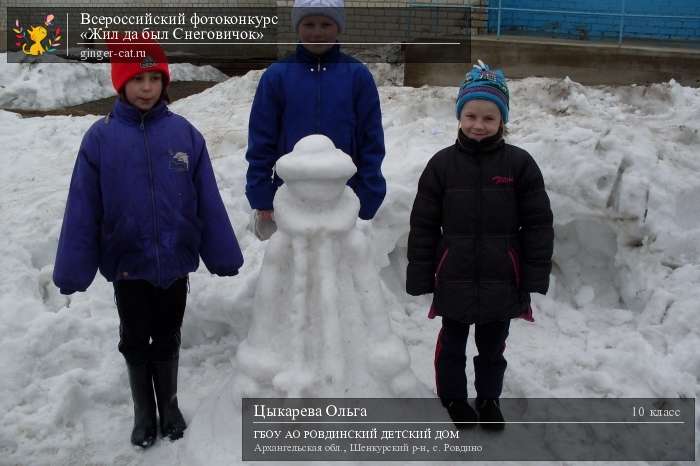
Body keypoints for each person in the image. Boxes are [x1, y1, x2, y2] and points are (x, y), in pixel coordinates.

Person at [52, 36, 244, 447]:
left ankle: (169, 404)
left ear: (164, 81)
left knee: (168, 334)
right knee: (135, 337)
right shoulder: (99, 140)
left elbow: (206, 199)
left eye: (154, 78)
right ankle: (144, 412)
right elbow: (83, 208)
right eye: (137, 78)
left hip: (174, 262)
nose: (146, 87)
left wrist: (222, 253)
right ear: (121, 82)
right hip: (128, 263)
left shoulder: (184, 135)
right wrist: (73, 267)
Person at [406, 61, 554, 431]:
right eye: (470, 115)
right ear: (459, 116)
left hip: (502, 274)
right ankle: (454, 397)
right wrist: (422, 273)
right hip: (453, 271)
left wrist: (533, 273)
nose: (478, 124)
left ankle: (489, 399)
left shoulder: (519, 164)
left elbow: (538, 223)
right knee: (452, 344)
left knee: (493, 347)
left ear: (502, 120)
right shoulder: (441, 165)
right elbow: (423, 224)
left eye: (489, 117)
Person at [245, 0, 386, 239]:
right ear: (297, 27)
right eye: (309, 24)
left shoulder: (357, 76)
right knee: (294, 268)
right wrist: (261, 192)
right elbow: (262, 138)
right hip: (290, 196)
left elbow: (370, 138)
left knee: (340, 269)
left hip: (344, 196)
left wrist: (369, 191)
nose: (317, 32)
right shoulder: (277, 76)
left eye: (326, 24)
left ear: (338, 27)